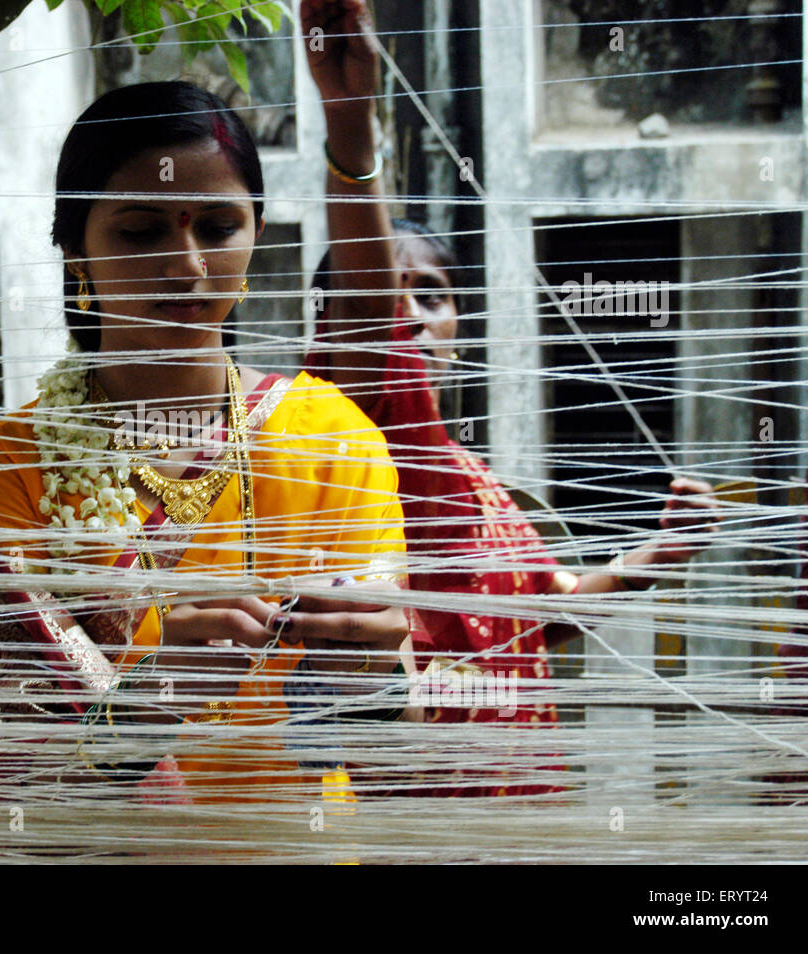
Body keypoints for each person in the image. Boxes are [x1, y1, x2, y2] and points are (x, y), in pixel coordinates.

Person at [0, 80, 422, 803]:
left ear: (256, 233)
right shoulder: (9, 468)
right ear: (74, 249)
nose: (187, 265)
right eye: (140, 230)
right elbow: (15, 772)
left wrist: (371, 674)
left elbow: (394, 742)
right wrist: (151, 694)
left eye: (217, 228)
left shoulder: (332, 438)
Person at [300, 0, 722, 795]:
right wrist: (351, 124)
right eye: (394, 300)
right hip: (423, 810)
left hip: (519, 808)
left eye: (431, 295)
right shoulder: (363, 435)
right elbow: (364, 312)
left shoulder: (473, 477)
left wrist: (658, 556)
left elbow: (545, 613)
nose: (413, 317)